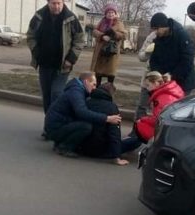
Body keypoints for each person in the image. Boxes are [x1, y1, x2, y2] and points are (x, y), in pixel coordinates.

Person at [27, 0, 84, 137]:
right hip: (44, 64)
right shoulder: (39, 16)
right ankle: (49, 126)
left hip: (62, 67)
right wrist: (36, 52)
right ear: (48, 2)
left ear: (63, 2)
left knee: (56, 95)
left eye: (59, 3)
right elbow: (30, 36)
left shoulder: (70, 18)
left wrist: (71, 59)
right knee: (47, 97)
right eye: (53, 3)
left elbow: (79, 40)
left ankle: (56, 126)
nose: (56, 6)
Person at [44, 72, 121, 158]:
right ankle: (64, 147)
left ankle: (60, 143)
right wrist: (106, 118)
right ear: (86, 82)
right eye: (94, 84)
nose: (95, 88)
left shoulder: (78, 90)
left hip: (56, 125)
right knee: (86, 126)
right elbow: (82, 112)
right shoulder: (76, 92)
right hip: (54, 128)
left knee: (82, 123)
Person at [81, 83, 141, 165]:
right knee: (136, 141)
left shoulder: (86, 101)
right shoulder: (112, 107)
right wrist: (116, 157)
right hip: (100, 150)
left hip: (82, 147)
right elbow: (114, 132)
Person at [147, 12, 195, 95]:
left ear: (163, 26)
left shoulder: (181, 35)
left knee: (179, 106)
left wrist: (173, 76)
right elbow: (154, 59)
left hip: (183, 82)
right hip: (165, 81)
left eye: (156, 29)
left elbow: (187, 60)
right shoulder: (159, 39)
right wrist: (157, 75)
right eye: (153, 29)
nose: (155, 32)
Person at [133, 71, 184, 143]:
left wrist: (142, 119)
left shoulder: (161, 99)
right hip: (173, 127)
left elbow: (159, 119)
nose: (147, 88)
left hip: (167, 129)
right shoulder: (168, 93)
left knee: (140, 124)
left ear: (155, 83)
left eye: (148, 85)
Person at [90, 4, 126, 86]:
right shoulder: (101, 22)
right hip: (100, 52)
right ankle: (97, 92)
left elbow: (123, 35)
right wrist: (102, 36)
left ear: (115, 13)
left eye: (112, 12)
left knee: (110, 75)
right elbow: (94, 31)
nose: (110, 14)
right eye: (109, 12)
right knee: (98, 74)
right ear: (106, 14)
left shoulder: (119, 23)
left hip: (111, 52)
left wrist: (113, 35)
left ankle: (109, 93)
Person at [134, 31, 157, 120]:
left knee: (160, 107)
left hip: (162, 79)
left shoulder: (173, 37)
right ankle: (137, 131)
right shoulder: (152, 36)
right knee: (142, 105)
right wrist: (148, 52)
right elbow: (141, 56)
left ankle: (156, 131)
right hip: (149, 76)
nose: (157, 30)